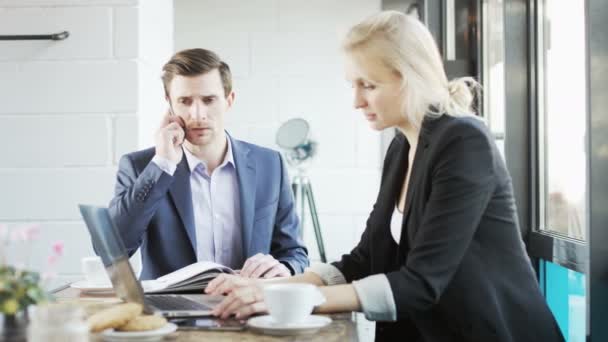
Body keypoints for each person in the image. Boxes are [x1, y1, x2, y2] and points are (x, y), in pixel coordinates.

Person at [204, 11, 564, 342]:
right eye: (353, 85)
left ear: (410, 78)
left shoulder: (464, 142)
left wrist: (297, 301)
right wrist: (271, 290)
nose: (357, 101)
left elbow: (422, 282)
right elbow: (363, 259)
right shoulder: (401, 147)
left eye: (369, 85)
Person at [108, 48, 308, 280]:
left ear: (229, 100)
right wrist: (162, 165)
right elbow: (113, 250)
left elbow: (294, 252)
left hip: (248, 307)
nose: (198, 114)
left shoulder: (270, 165)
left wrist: (285, 267)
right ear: (169, 104)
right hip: (169, 312)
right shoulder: (140, 166)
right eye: (185, 101)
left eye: (209, 100)